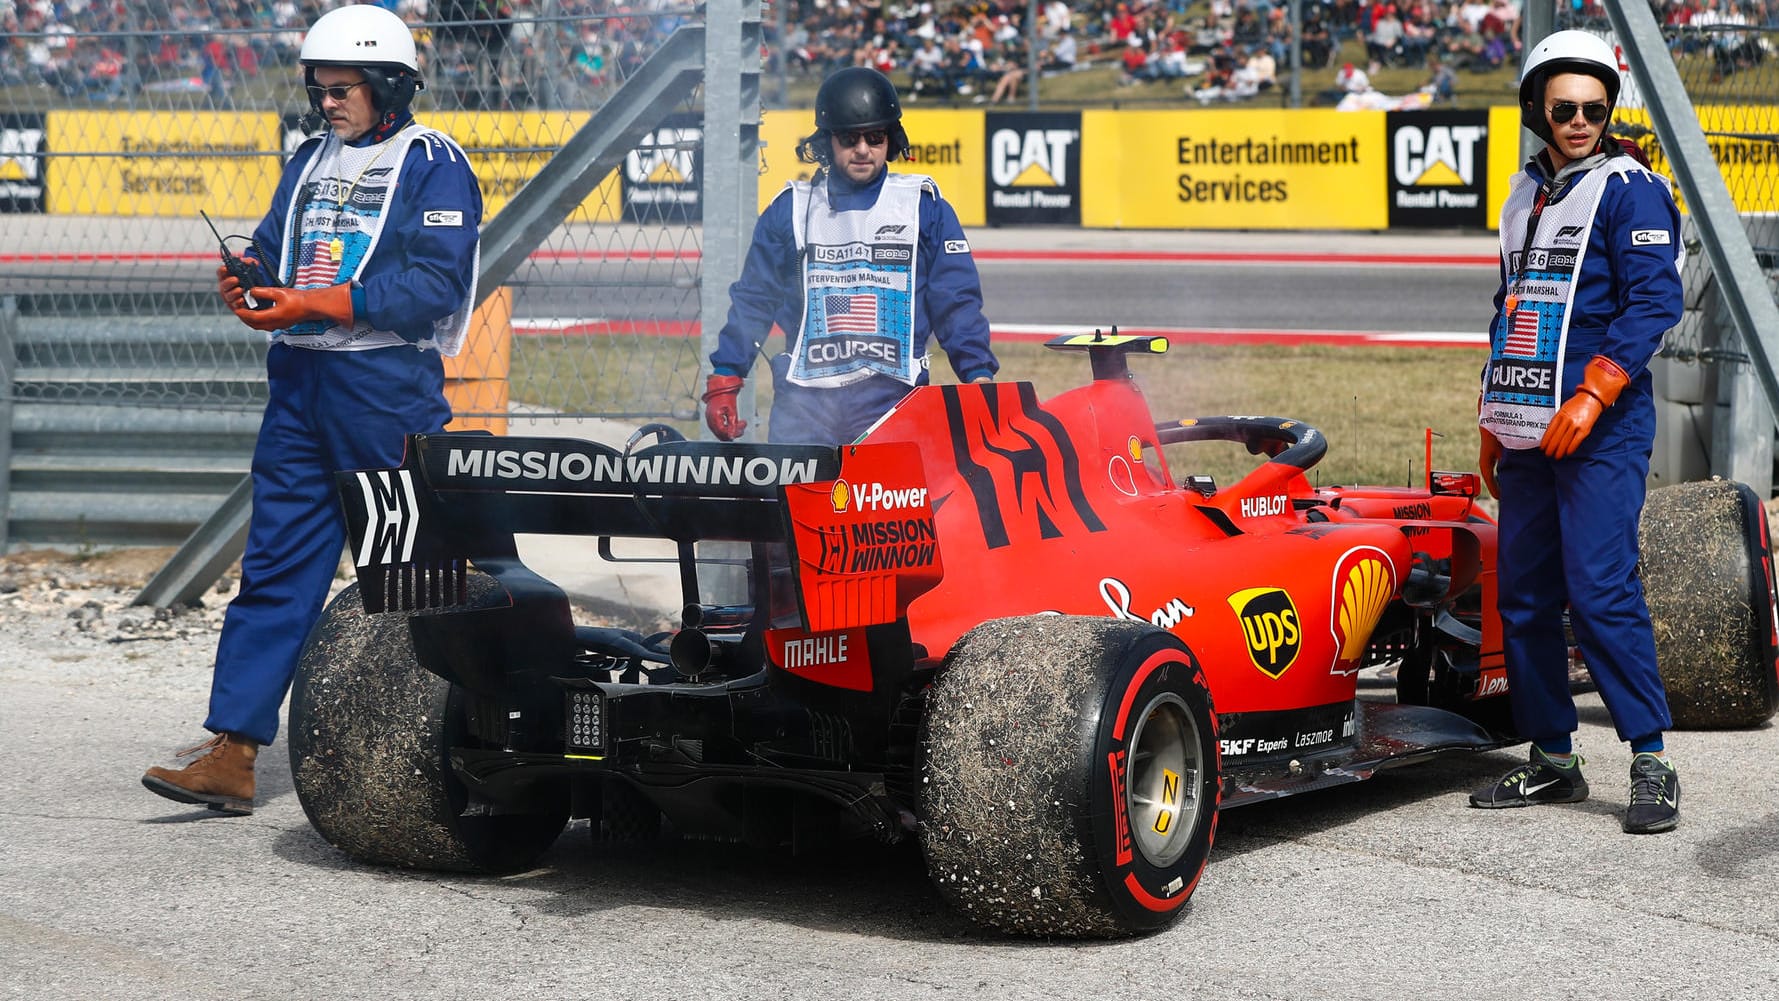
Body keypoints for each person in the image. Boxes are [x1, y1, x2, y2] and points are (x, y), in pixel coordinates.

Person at [141, 4, 482, 816]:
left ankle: (436, 744)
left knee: (407, 573)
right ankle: (234, 748)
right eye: (320, 89)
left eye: (344, 89)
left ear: (392, 87)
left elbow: (432, 285)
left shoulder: (432, 161)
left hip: (383, 388)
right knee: (274, 569)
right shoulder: (308, 158)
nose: (327, 103)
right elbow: (270, 245)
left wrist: (315, 305)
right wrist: (247, 277)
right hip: (298, 387)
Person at [1468, 31, 1685, 835]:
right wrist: (1489, 416)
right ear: (1536, 110)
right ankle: (1553, 759)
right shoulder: (1521, 197)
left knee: (1598, 589)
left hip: (1603, 426)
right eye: (1564, 108)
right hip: (1524, 427)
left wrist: (1593, 393)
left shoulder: (1630, 188)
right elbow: (1509, 310)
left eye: (1595, 107)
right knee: (1522, 596)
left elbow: (1654, 303)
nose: (1581, 121)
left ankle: (1650, 759)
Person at [702, 67, 997, 446]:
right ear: (828, 142)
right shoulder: (790, 209)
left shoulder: (924, 208)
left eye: (875, 137)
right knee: (794, 505)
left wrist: (977, 374)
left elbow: (956, 303)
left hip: (896, 403)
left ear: (891, 139)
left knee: (898, 507)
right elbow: (755, 299)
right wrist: (726, 375)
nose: (862, 149)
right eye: (849, 138)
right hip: (805, 407)